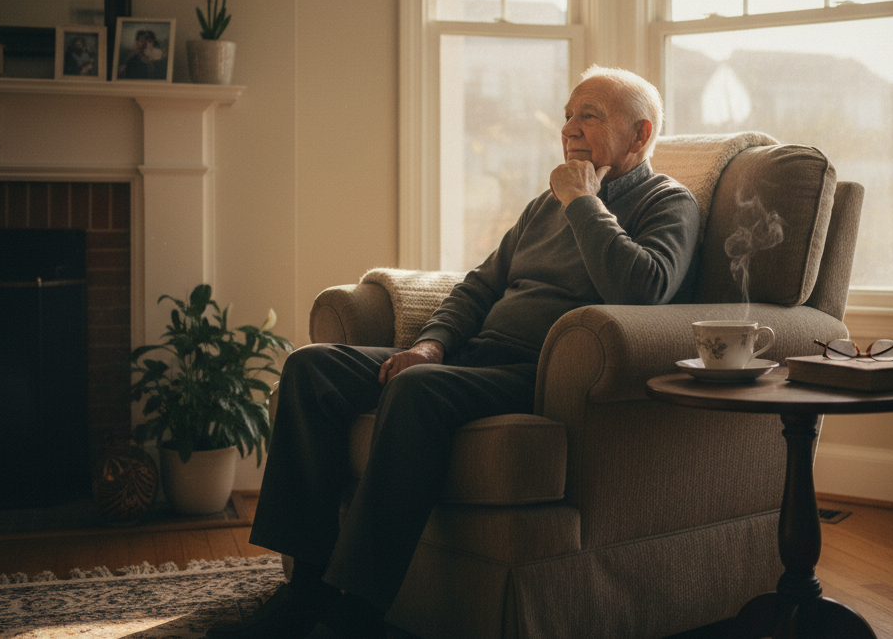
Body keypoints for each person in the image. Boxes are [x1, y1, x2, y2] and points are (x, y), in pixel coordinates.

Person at [206, 65, 700, 639]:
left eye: (589, 115)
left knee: (416, 391)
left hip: (536, 373)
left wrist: (583, 204)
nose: (570, 128)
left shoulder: (668, 203)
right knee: (310, 367)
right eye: (567, 114)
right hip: (472, 357)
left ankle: (360, 610)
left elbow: (642, 289)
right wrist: (431, 345)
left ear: (641, 135)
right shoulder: (545, 206)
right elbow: (480, 286)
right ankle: (305, 592)